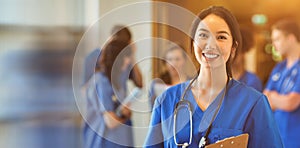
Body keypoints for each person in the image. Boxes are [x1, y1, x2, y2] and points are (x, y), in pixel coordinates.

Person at [144, 6, 283, 148]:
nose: (211, 44)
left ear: (233, 48)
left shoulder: (253, 103)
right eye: (203, 35)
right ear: (193, 43)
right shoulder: (167, 101)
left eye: (221, 37)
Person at [83, 40, 135, 147]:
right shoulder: (101, 82)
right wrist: (125, 114)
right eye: (126, 57)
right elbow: (110, 122)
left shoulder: (115, 81)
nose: (128, 61)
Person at [263, 19, 300, 148]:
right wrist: (278, 99)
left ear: (290, 38)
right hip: (278, 139)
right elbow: (265, 100)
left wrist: (274, 97)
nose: (274, 44)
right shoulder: (279, 67)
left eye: (277, 39)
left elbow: (292, 102)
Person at [149, 44, 190, 109]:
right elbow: (153, 109)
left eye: (177, 59)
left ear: (184, 60)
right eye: (170, 59)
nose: (173, 63)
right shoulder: (157, 83)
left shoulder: (192, 83)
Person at [232, 27, 263, 92]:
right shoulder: (218, 81)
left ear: (243, 53)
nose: (231, 56)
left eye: (236, 52)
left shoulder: (252, 81)